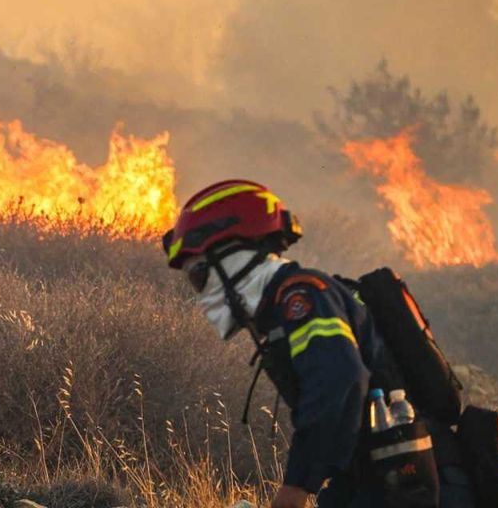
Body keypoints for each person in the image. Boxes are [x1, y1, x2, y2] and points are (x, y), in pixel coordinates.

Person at [162, 179, 473, 508]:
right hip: (381, 477)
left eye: (199, 277)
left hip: (418, 481)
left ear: (232, 260)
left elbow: (340, 380)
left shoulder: (302, 298)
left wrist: (297, 487)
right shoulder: (288, 308)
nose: (200, 293)